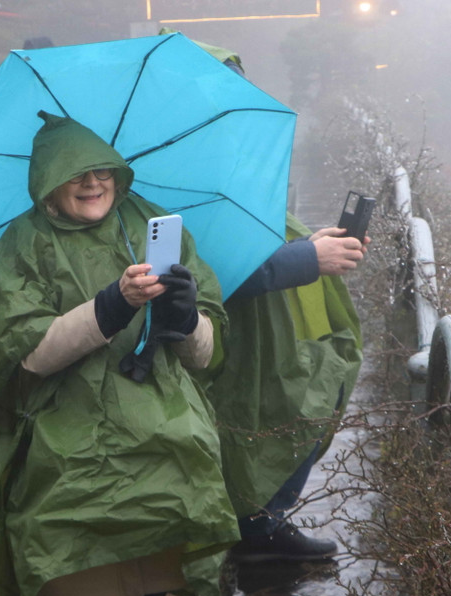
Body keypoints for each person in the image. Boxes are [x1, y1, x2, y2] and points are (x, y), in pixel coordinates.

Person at [0, 110, 240, 596]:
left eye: (103, 170)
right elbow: (21, 356)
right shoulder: (23, 245)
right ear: (47, 184)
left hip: (160, 451)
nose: (93, 183)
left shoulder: (153, 223)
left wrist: (185, 317)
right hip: (65, 463)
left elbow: (207, 358)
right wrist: (111, 306)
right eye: (76, 173)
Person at [183, 45, 366, 562]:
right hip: (226, 331)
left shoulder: (217, 155)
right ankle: (256, 527)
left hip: (255, 325)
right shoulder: (189, 173)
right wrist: (308, 258)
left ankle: (261, 520)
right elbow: (221, 272)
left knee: (295, 397)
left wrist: (311, 244)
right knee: (284, 406)